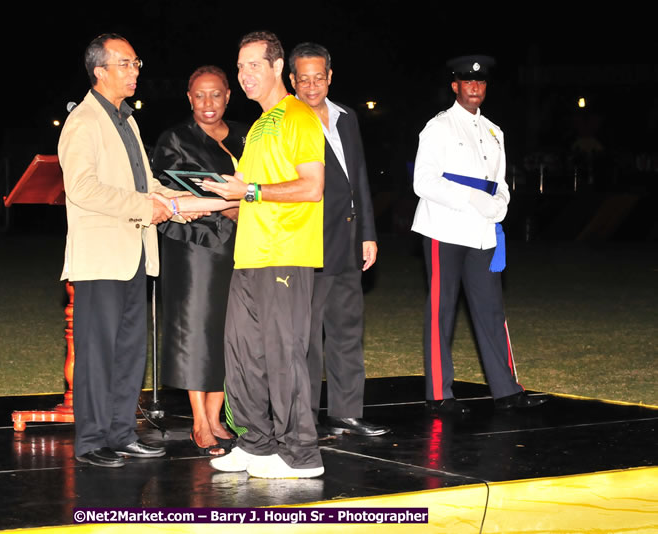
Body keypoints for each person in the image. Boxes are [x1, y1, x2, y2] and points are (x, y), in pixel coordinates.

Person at [58, 33, 195, 467]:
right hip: (101, 258)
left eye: (137, 63)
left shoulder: (126, 120)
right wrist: (144, 207)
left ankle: (121, 433)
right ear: (100, 71)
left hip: (135, 253)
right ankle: (91, 441)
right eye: (126, 63)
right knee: (97, 353)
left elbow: (143, 184)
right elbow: (82, 189)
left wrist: (179, 203)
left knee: (130, 350)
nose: (135, 71)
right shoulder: (83, 121)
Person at [201, 31, 326, 479]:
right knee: (241, 354)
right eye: (240, 66)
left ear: (277, 67)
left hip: (285, 254)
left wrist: (249, 190)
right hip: (250, 256)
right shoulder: (257, 127)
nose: (244, 74)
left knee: (283, 355)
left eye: (254, 65)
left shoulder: (299, 116)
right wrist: (183, 202)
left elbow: (312, 187)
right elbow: (246, 197)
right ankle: (256, 444)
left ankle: (302, 455)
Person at [411, 55, 548, 415]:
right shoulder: (438, 127)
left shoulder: (494, 131)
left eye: (481, 81)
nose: (474, 87)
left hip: (483, 231)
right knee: (442, 310)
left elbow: (499, 182)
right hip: (444, 227)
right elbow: (423, 182)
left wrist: (501, 203)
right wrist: (472, 198)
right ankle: (438, 395)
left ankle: (506, 390)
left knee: (491, 310)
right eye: (467, 81)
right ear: (454, 86)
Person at [288, 43, 389, 438]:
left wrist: (368, 233)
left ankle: (347, 412)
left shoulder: (347, 117)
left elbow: (358, 177)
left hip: (349, 239)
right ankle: (306, 417)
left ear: (330, 77)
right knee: (308, 337)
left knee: (347, 329)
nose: (312, 86)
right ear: (292, 81)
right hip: (310, 240)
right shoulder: (287, 120)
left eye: (319, 78)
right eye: (304, 79)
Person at [150, 65, 249, 457]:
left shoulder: (246, 135)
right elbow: (170, 193)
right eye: (200, 95)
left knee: (229, 330)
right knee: (196, 331)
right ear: (189, 98)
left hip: (243, 245)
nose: (209, 102)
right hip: (195, 246)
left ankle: (217, 416)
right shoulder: (175, 138)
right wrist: (230, 206)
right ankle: (199, 423)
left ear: (228, 96)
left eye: (216, 94)